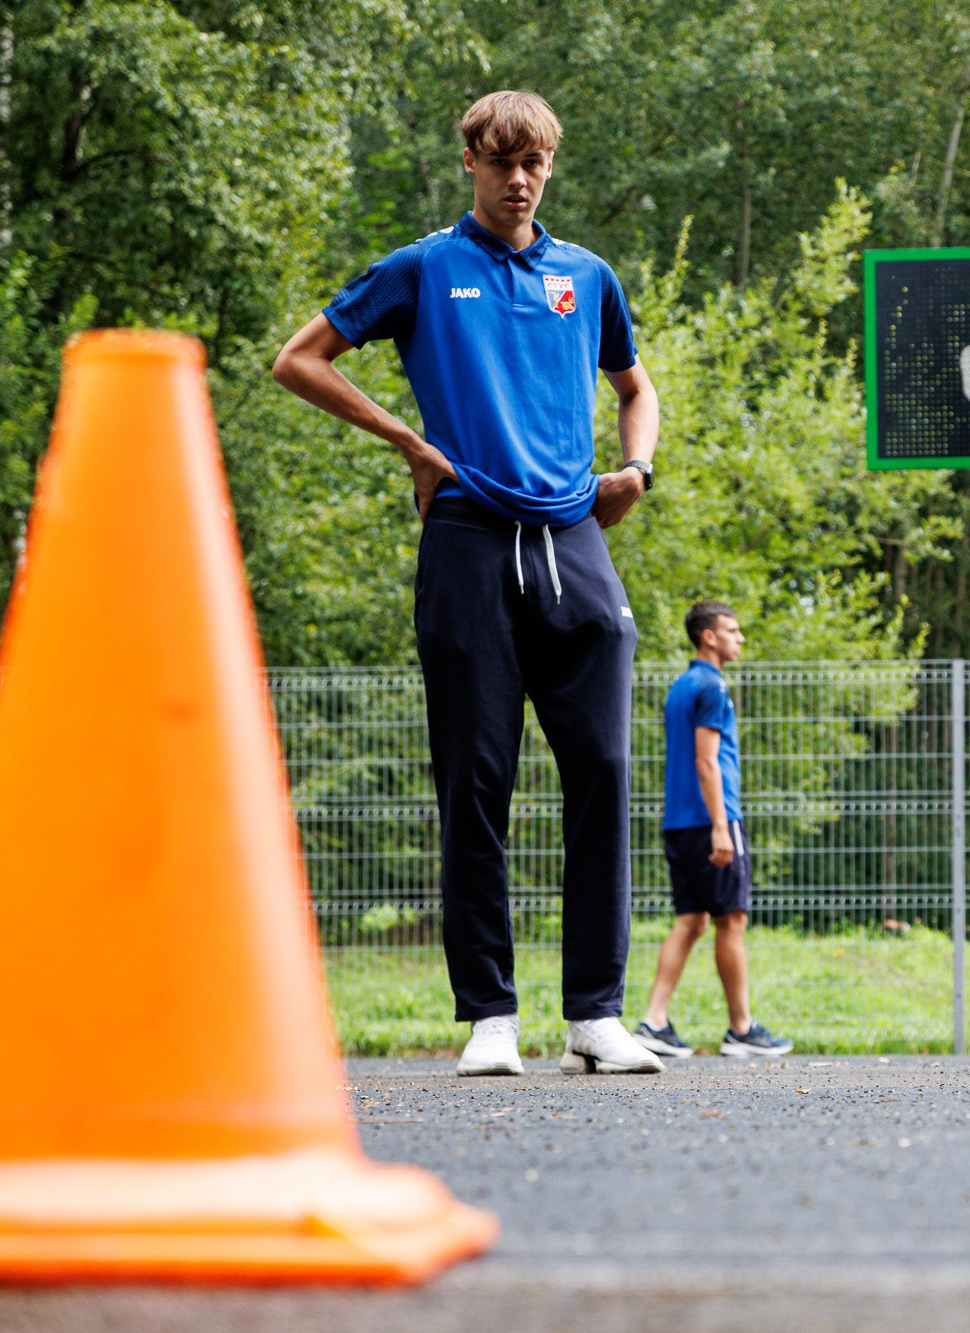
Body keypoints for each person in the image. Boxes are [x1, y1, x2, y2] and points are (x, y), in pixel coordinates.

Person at [271, 90, 664, 1077]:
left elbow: (635, 385)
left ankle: (595, 1015)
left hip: (572, 535)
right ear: (471, 165)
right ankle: (490, 1015)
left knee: (603, 771)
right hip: (468, 536)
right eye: (501, 162)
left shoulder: (587, 276)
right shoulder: (423, 268)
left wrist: (637, 470)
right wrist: (407, 441)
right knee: (476, 779)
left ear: (549, 167)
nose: (518, 180)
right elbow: (298, 360)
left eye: (534, 163)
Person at [635, 602, 794, 1059]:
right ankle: (741, 1029)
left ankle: (654, 1021)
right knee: (732, 920)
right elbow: (707, 763)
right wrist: (722, 828)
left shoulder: (681, 685)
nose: (740, 638)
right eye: (732, 630)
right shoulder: (712, 687)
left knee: (691, 920)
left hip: (679, 822)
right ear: (709, 637)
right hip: (711, 821)